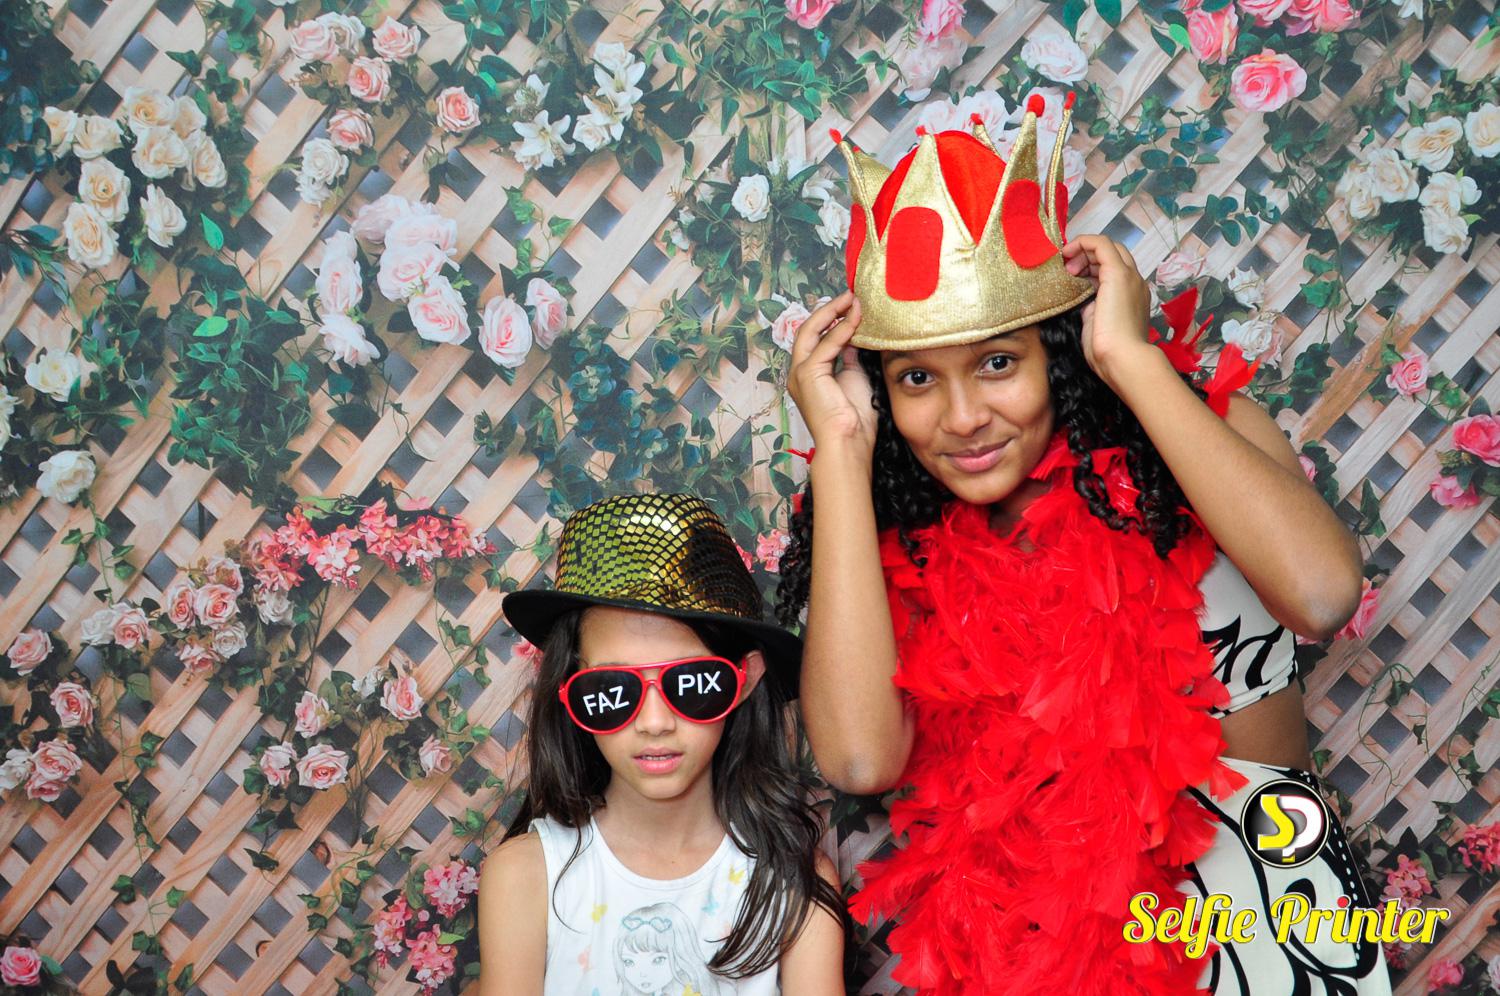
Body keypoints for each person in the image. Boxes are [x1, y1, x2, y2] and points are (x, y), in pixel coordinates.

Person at [778, 95, 1392, 994]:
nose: (963, 417)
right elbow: (860, 760)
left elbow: (1324, 595)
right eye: (917, 379)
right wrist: (839, 450)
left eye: (998, 362)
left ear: (1058, 351)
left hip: (1267, 933)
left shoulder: (1190, 443)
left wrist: (1131, 361)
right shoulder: (899, 550)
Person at [478, 493, 845, 995]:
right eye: (613, 689)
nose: (654, 723)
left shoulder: (794, 882)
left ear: (745, 679)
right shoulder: (525, 877)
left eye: (690, 683)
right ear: (569, 690)